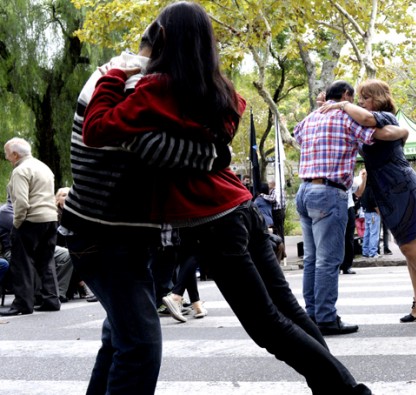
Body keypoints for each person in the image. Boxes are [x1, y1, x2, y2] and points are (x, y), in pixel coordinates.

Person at [85, 3, 373, 393]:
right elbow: (213, 143)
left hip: (210, 221)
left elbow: (98, 129)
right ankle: (336, 387)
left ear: (163, 39)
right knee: (286, 310)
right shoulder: (221, 90)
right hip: (241, 207)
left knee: (267, 325)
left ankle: (348, 392)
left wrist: (112, 76)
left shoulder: (155, 89)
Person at [58, 22, 227, 393]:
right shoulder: (135, 81)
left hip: (111, 233)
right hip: (105, 234)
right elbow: (157, 150)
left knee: (120, 338)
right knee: (141, 346)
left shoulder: (118, 72)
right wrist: (216, 154)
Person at [320, 79, 416, 321]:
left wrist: (342, 106)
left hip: (399, 183)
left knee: (410, 246)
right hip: (387, 186)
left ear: (377, 98)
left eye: (365, 98)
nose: (361, 102)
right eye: (359, 99)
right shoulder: (369, 120)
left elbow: (367, 121)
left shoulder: (385, 117)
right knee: (408, 247)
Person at [294, 79, 407, 334]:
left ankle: (311, 315)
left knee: (311, 259)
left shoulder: (310, 117)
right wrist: (402, 132)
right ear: (345, 95)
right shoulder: (346, 118)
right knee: (328, 260)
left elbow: (297, 137)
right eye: (352, 99)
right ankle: (326, 318)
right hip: (329, 192)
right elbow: (378, 133)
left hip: (304, 191)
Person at [0, 138, 59, 316]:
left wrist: (17, 225)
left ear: (15, 154)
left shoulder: (20, 170)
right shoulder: (44, 167)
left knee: (22, 263)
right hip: (50, 219)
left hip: (31, 220)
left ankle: (23, 304)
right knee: (46, 261)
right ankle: (51, 299)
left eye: (7, 153)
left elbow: (21, 203)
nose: (6, 157)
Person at [341, 169, 367, 274]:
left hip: (348, 207)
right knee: (337, 238)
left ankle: (347, 265)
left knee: (349, 238)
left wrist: (364, 180)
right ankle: (336, 265)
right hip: (335, 207)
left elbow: (358, 192)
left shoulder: (349, 174)